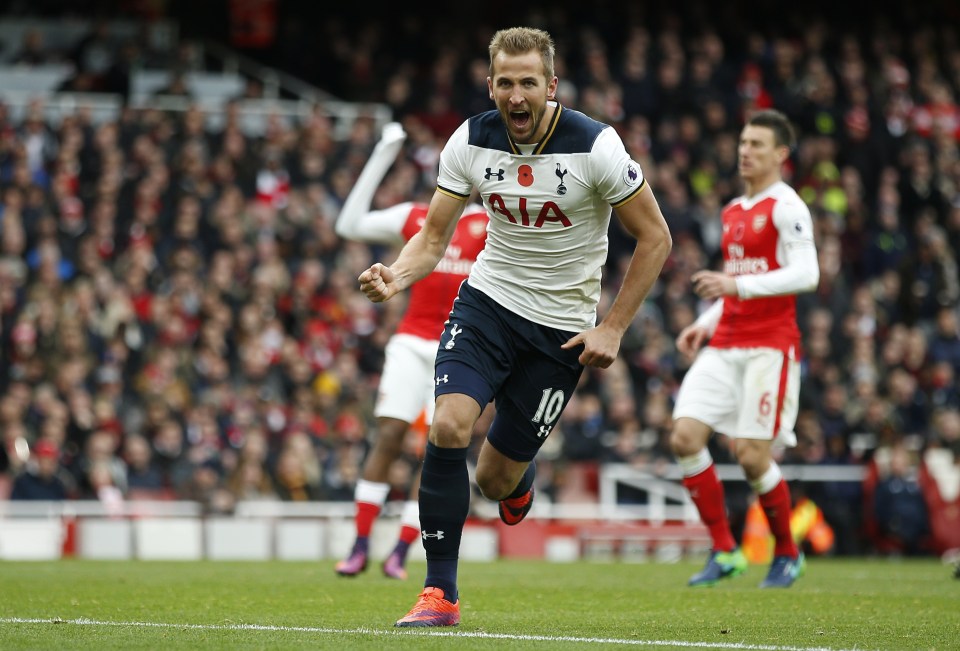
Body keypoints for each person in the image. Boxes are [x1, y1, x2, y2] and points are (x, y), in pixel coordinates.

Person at [358, 27, 671, 627]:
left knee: (496, 481)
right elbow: (431, 239)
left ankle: (516, 480)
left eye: (530, 82)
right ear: (491, 85)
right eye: (506, 82)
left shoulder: (595, 146)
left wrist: (614, 328)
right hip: (488, 303)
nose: (517, 95)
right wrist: (395, 278)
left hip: (561, 330)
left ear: (550, 87)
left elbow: (656, 237)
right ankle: (439, 594)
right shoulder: (470, 140)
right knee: (449, 424)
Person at [669, 108, 820, 588]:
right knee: (685, 437)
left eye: (756, 144)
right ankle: (724, 549)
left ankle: (788, 552)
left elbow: (807, 273)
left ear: (781, 154)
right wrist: (703, 322)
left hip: (768, 347)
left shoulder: (787, 206)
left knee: (752, 455)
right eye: (742, 142)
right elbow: (741, 281)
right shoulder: (733, 209)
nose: (745, 151)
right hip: (726, 341)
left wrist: (734, 287)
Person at [334, 121, 489, 580]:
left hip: (457, 348)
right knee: (388, 436)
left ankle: (401, 552)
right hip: (409, 342)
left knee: (437, 448)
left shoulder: (491, 223)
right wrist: (382, 154)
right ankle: (360, 544)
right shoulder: (417, 217)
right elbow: (348, 225)